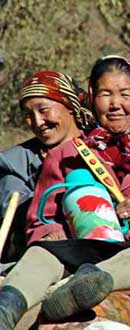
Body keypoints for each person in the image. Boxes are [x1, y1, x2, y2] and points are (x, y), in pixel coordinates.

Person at [0, 56, 130, 330]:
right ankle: (7, 309)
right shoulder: (67, 153)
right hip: (84, 245)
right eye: (106, 94)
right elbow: (39, 219)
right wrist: (49, 233)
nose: (115, 104)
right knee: (41, 255)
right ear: (93, 98)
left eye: (124, 94)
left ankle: (83, 288)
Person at [0, 71, 94, 261]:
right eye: (28, 115)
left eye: (43, 110)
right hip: (43, 254)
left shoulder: (101, 147)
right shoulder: (15, 162)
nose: (37, 122)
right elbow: (15, 210)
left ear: (69, 106)